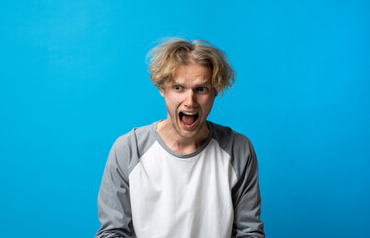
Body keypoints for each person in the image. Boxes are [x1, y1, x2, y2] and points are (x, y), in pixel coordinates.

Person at [95, 38, 265, 238]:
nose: (190, 101)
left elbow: (249, 232)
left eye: (201, 89)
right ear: (162, 88)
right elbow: (112, 232)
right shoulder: (129, 149)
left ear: (215, 92)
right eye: (178, 88)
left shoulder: (238, 149)